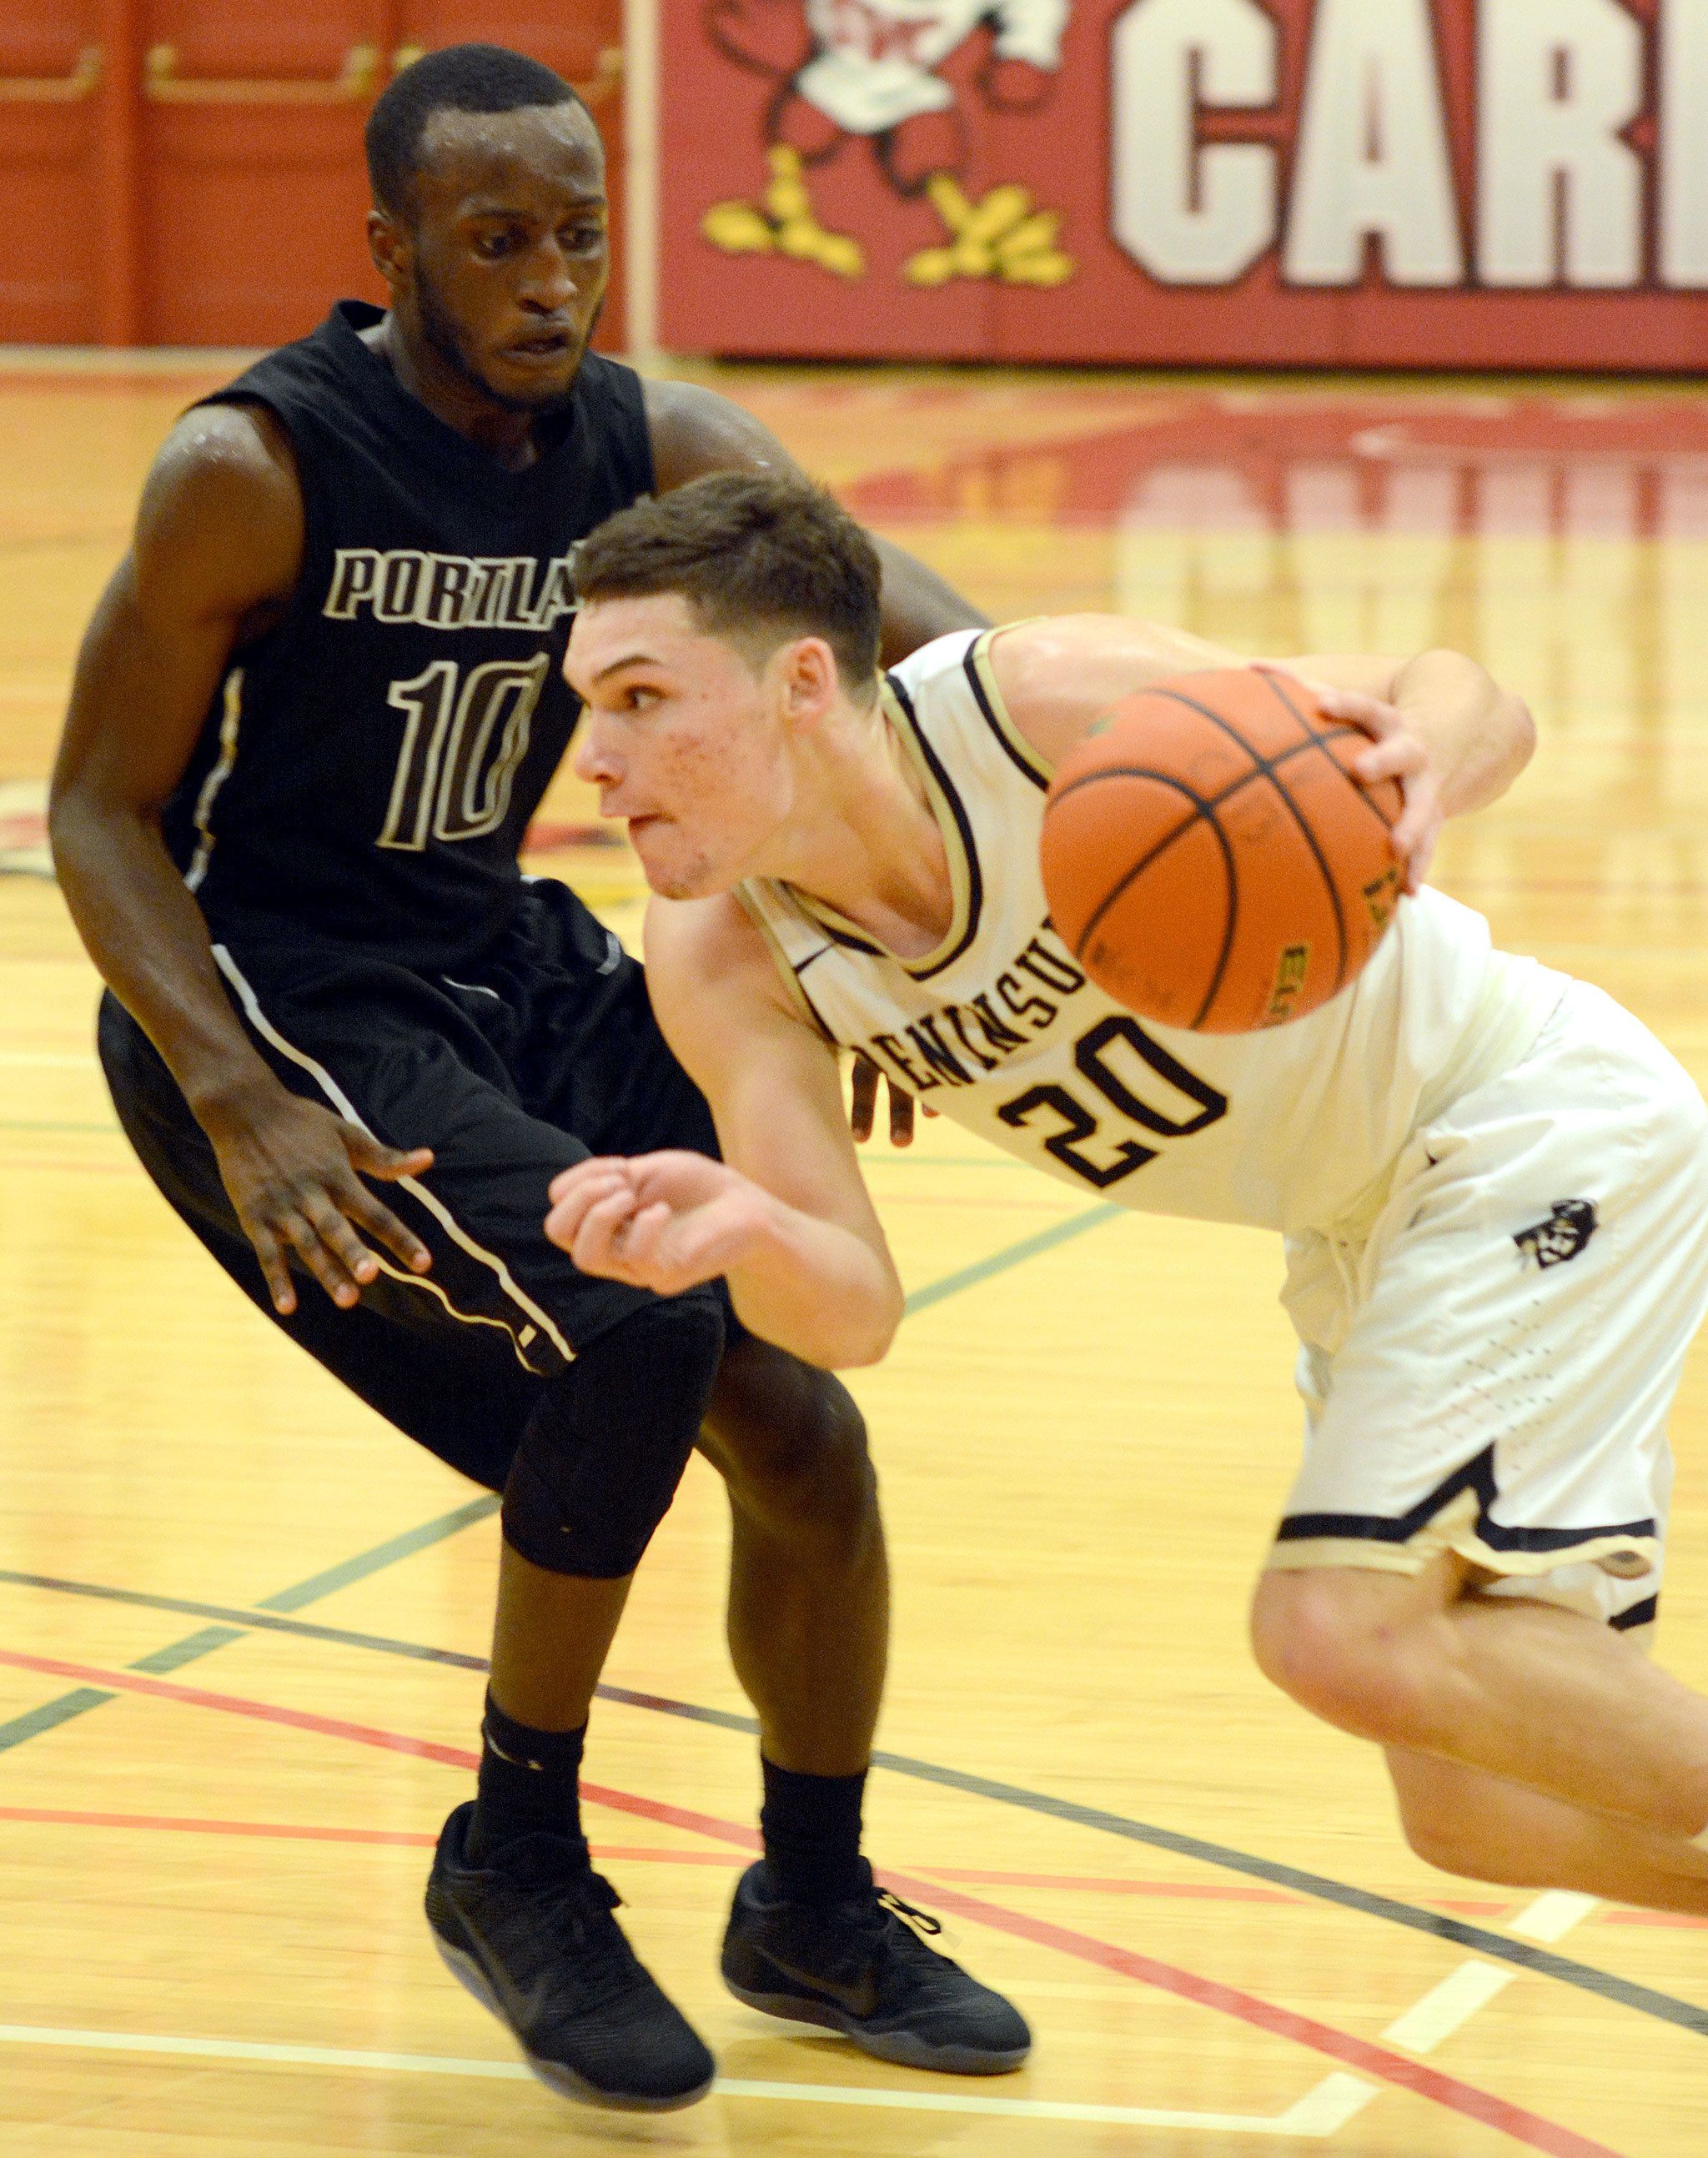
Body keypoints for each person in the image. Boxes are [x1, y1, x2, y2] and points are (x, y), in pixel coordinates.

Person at [48, 46, 1030, 2115]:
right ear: (391, 250)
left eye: (579, 230)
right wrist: (241, 1097)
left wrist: (938, 916)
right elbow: (96, 812)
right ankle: (512, 1854)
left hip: (512, 963)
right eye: (496, 239)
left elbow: (905, 659)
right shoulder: (253, 463)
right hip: (291, 997)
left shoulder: (643, 439)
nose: (552, 276)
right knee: (625, 1324)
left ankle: (812, 1901)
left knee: (804, 1428)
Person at [548, 469, 1708, 1920]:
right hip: (1360, 1234)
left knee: (1338, 1633)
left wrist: (1426, 759)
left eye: (642, 697)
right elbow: (853, 1314)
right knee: (1477, 1819)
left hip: (1517, 1120)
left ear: (797, 683)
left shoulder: (1037, 705)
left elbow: (1465, 692)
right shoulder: (722, 957)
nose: (593, 755)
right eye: (588, 703)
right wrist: (749, 1232)